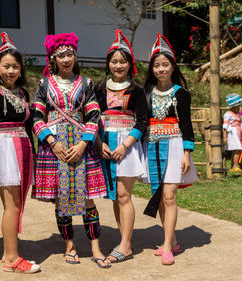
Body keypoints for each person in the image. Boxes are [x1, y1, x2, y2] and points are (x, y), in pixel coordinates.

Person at [31, 32, 111, 269]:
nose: (66, 59)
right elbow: (36, 117)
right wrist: (52, 142)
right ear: (53, 59)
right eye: (61, 55)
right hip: (54, 147)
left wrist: (84, 143)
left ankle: (96, 247)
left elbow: (94, 115)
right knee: (61, 201)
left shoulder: (86, 84)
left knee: (87, 200)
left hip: (81, 147)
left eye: (70, 54)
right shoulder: (44, 85)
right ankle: (70, 246)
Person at [0, 32, 40, 273]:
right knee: (12, 206)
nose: (11, 71)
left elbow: (27, 127)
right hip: (3, 149)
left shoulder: (23, 94)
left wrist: (33, 156)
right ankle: (12, 259)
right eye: (6, 66)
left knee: (17, 205)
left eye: (15, 66)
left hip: (23, 149)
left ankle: (8, 255)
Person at [142, 33, 198, 265]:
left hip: (175, 147)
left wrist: (187, 153)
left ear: (173, 67)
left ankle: (166, 246)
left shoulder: (181, 94)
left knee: (169, 195)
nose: (161, 69)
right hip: (152, 146)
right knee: (160, 196)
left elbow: (187, 125)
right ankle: (172, 240)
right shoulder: (144, 93)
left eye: (165, 65)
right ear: (152, 69)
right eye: (157, 65)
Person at [94, 29, 147, 263]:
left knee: (124, 195)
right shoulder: (98, 88)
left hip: (127, 146)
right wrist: (98, 142)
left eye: (123, 61)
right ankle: (123, 239)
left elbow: (143, 121)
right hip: (105, 144)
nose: (118, 65)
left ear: (130, 64)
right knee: (115, 196)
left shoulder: (137, 90)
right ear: (108, 64)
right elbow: (92, 117)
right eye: (114, 61)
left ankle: (125, 245)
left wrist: (125, 146)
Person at [223, 94, 242, 173]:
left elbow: (241, 124)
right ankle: (235, 166)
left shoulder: (238, 114)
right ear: (233, 106)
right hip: (233, 134)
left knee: (236, 150)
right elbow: (225, 126)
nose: (239, 107)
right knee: (237, 149)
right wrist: (225, 136)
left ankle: (233, 166)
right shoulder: (228, 114)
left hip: (239, 133)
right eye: (238, 105)